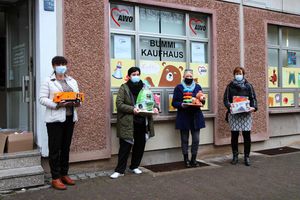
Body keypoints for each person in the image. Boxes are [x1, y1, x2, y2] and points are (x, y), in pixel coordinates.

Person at [39, 56, 81, 189]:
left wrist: (77, 101)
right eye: (59, 64)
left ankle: (64, 174)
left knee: (65, 148)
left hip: (70, 118)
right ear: (53, 66)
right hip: (55, 120)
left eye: (64, 64)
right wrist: (57, 105)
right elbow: (42, 99)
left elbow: (77, 95)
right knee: (55, 149)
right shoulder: (48, 81)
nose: (62, 66)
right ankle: (55, 177)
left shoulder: (72, 81)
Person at [110, 67, 159, 179]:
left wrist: (155, 108)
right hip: (128, 122)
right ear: (129, 76)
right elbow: (119, 104)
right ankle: (119, 170)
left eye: (137, 74)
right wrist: (132, 109)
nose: (136, 76)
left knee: (140, 145)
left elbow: (151, 101)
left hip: (142, 121)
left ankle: (134, 166)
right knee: (125, 147)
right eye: (133, 74)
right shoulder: (124, 88)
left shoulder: (145, 87)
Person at [223, 67, 257, 166]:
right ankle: (235, 156)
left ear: (243, 74)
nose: (239, 75)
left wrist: (253, 107)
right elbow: (225, 99)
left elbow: (253, 98)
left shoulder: (249, 86)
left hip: (246, 114)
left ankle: (247, 157)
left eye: (240, 73)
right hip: (234, 114)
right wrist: (230, 106)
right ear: (234, 74)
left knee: (247, 135)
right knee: (234, 135)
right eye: (237, 73)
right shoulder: (229, 86)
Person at [172, 69, 206, 168]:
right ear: (183, 77)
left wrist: (202, 101)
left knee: (196, 139)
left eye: (191, 76)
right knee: (184, 139)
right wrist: (182, 104)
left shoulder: (198, 87)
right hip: (183, 116)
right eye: (187, 76)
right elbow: (174, 102)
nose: (189, 78)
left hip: (196, 116)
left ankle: (193, 159)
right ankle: (186, 159)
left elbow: (201, 100)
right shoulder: (179, 87)